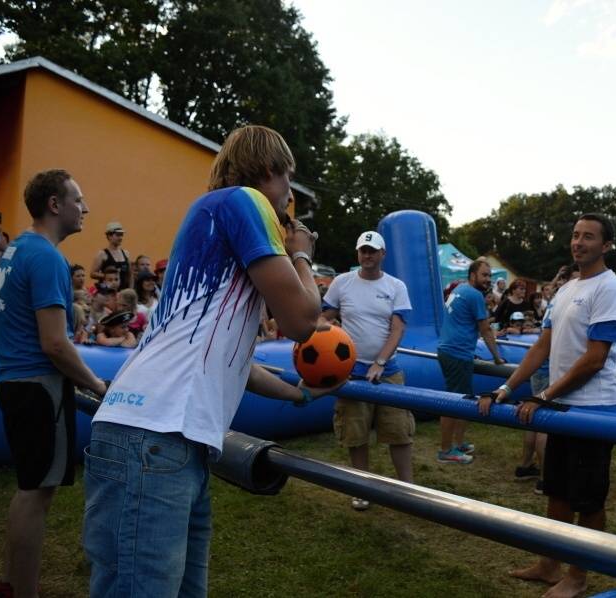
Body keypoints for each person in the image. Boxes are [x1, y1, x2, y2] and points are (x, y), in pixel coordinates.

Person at [83, 124, 336, 597]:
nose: (288, 199)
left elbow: (230, 361)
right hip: (157, 435)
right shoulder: (246, 201)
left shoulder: (212, 214)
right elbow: (303, 320)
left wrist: (299, 394)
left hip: (165, 437)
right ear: (268, 171)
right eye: (288, 182)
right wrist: (301, 255)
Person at [483, 214, 616, 598]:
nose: (579, 242)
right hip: (562, 406)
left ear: (607, 246)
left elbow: (596, 358)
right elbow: (541, 347)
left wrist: (543, 396)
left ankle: (577, 578)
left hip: (594, 409)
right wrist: (507, 387)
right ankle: (550, 565)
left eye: (589, 237)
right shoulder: (565, 290)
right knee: (558, 491)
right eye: (576, 235)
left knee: (589, 499)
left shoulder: (610, 288)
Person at [0, 169, 107, 598]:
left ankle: (10, 584)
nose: (85, 208)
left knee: (29, 490)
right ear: (55, 205)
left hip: (13, 381)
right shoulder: (47, 258)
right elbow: (55, 344)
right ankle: (23, 592)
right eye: (78, 199)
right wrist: (97, 383)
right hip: (38, 386)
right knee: (36, 494)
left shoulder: (17, 249)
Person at [321, 230, 414, 511]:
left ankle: (408, 492)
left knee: (399, 432)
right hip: (350, 372)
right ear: (358, 253)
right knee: (355, 433)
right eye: (363, 250)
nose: (367, 255)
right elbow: (323, 317)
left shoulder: (396, 286)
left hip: (388, 371)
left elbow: (398, 329)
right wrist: (327, 340)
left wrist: (380, 362)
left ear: (383, 254)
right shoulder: (341, 283)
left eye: (372, 250)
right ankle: (362, 489)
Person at [437, 260, 505, 464]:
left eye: (490, 276)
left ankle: (458, 443)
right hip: (457, 354)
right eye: (484, 275)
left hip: (451, 350)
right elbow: (485, 330)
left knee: (461, 400)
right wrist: (496, 358)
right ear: (472, 275)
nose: (488, 280)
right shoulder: (475, 295)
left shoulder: (461, 288)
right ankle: (446, 450)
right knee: (454, 403)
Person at [90, 221, 131, 289]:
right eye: (118, 235)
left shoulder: (126, 253)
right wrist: (109, 277)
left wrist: (130, 289)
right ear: (109, 236)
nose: (120, 238)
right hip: (108, 292)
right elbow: (92, 273)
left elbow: (130, 275)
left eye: (121, 235)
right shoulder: (102, 254)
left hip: (123, 292)